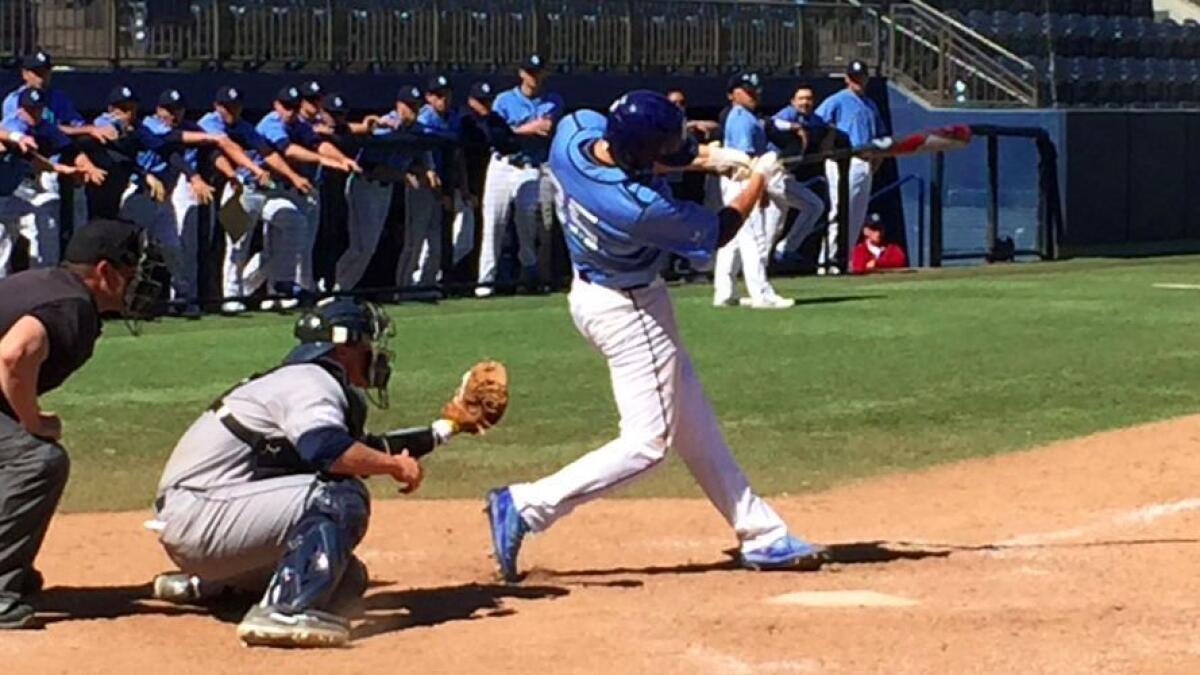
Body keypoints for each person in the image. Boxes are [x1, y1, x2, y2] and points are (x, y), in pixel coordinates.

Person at [485, 91, 825, 582]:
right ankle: (527, 505)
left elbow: (652, 156)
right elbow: (718, 229)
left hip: (597, 295)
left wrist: (711, 159)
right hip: (629, 311)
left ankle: (761, 532)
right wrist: (755, 181)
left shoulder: (575, 130)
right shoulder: (637, 208)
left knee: (693, 420)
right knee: (648, 444)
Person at [146, 299, 461, 647]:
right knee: (340, 495)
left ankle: (211, 585)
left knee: (343, 578)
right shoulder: (311, 381)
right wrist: (395, 467)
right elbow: (330, 451)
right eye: (368, 342)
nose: (375, 353)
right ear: (344, 347)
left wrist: (447, 429)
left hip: (206, 518)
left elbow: (366, 447)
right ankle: (284, 611)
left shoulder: (300, 381)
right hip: (202, 516)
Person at [0, 219, 164, 629]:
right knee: (36, 459)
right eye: (131, 276)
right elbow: (14, 355)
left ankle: (9, 565)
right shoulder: (71, 306)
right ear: (104, 272)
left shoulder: (45, 283)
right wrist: (32, 419)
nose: (139, 285)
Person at [248, 86, 360, 310]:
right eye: (287, 106)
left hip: (278, 190)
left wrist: (342, 159)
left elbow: (320, 144)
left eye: (295, 106)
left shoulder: (299, 124)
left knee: (292, 237)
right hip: (247, 189)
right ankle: (236, 293)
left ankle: (282, 292)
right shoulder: (270, 122)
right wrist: (325, 161)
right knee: (240, 247)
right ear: (277, 105)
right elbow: (288, 150)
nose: (291, 111)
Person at [197, 85, 306, 314]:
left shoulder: (246, 127)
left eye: (235, 107)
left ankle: (281, 286)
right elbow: (226, 147)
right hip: (238, 188)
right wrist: (253, 169)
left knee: (294, 221)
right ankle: (231, 297)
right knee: (237, 246)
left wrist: (294, 177)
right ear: (217, 106)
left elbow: (268, 152)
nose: (231, 111)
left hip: (265, 190)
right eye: (227, 107)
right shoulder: (209, 122)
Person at [334, 85, 451, 293]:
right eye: (408, 106)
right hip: (365, 187)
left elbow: (419, 158)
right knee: (363, 247)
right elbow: (368, 167)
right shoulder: (385, 125)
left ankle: (342, 289)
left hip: (385, 190)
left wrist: (426, 170)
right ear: (398, 105)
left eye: (415, 106)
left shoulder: (417, 129)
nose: (412, 110)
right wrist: (403, 175)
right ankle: (336, 288)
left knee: (367, 247)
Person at [2, 50, 117, 238]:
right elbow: (22, 147)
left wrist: (85, 164)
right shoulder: (14, 106)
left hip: (38, 172)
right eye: (36, 72)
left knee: (45, 226)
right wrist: (18, 138)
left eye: (44, 71)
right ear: (25, 73)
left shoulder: (54, 104)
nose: (41, 77)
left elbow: (65, 137)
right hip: (21, 178)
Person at [476, 54, 564, 297]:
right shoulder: (505, 100)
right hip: (503, 165)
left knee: (527, 226)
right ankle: (485, 284)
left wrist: (527, 130)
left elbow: (547, 128)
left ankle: (530, 273)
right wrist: (529, 129)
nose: (534, 78)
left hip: (530, 167)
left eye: (538, 72)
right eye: (530, 72)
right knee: (494, 223)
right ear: (522, 74)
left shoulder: (552, 101)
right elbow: (500, 136)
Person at [0, 88, 107, 276]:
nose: (33, 114)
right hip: (8, 194)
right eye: (28, 109)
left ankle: (43, 281)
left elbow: (68, 150)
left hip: (12, 195)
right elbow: (29, 154)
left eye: (37, 109)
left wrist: (88, 166)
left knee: (44, 216)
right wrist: (60, 168)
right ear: (19, 109)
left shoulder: (44, 127)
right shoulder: (13, 124)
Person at [711, 72, 794, 310]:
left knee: (733, 239)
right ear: (733, 94)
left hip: (735, 181)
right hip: (743, 180)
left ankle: (725, 292)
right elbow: (747, 160)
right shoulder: (743, 119)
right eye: (747, 91)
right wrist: (759, 188)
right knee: (754, 239)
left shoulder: (743, 116)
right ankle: (762, 294)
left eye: (755, 90)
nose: (753, 95)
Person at [815, 59, 886, 272]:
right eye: (854, 78)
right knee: (839, 211)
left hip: (865, 162)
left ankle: (843, 261)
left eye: (861, 77)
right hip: (843, 161)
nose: (858, 82)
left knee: (856, 215)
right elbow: (817, 124)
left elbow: (880, 136)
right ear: (847, 79)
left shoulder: (870, 104)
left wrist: (876, 161)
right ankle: (827, 262)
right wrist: (829, 146)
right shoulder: (837, 100)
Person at [411, 74, 467, 296]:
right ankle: (408, 284)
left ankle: (426, 284)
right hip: (422, 184)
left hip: (445, 185)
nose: (443, 99)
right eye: (438, 95)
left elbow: (458, 156)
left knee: (437, 240)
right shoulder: (424, 119)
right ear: (428, 97)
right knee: (416, 239)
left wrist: (461, 188)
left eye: (446, 95)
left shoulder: (453, 119)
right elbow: (419, 155)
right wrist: (437, 190)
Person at [766, 85, 829, 263]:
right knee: (813, 207)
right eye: (801, 98)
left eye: (808, 98)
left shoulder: (815, 119)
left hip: (787, 175)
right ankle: (782, 250)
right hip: (773, 172)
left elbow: (826, 129)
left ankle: (774, 255)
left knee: (775, 223)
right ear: (793, 101)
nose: (805, 102)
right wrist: (794, 127)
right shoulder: (788, 114)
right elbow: (771, 123)